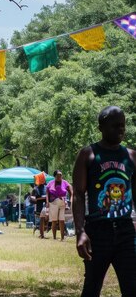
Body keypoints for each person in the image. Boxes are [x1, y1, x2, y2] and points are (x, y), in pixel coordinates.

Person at [73, 106, 136, 296]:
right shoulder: (88, 154)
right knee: (92, 288)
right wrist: (80, 232)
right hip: (97, 233)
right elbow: (77, 194)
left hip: (126, 231)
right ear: (101, 127)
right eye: (115, 126)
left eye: (123, 126)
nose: (121, 130)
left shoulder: (132, 156)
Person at [47, 170, 72, 241]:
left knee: (62, 220)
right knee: (54, 220)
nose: (60, 177)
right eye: (58, 175)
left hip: (62, 202)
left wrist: (70, 200)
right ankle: (54, 237)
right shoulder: (50, 183)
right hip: (53, 202)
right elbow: (47, 194)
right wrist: (47, 202)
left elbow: (70, 191)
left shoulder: (65, 182)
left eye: (61, 175)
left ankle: (62, 238)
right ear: (54, 176)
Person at [31, 174, 48, 238]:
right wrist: (42, 198)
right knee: (42, 220)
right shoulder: (36, 189)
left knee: (45, 220)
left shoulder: (46, 187)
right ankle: (42, 234)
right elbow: (33, 199)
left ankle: (42, 233)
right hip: (39, 206)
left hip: (47, 205)